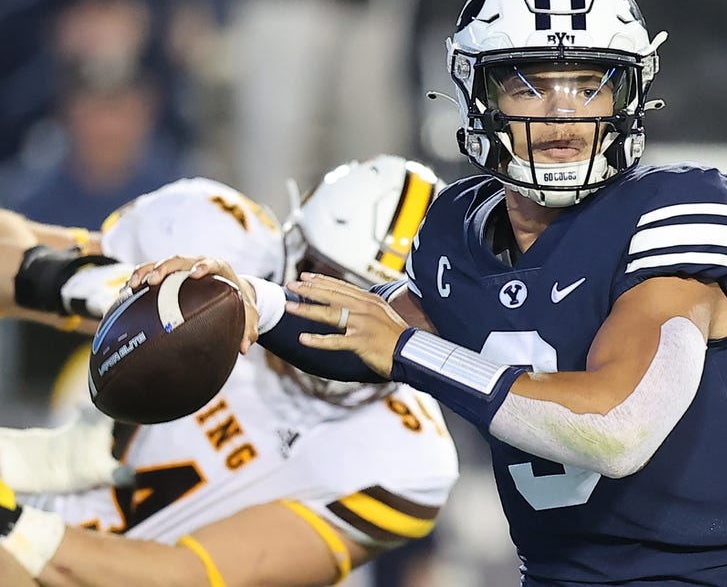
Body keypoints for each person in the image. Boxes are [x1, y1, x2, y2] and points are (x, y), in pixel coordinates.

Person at [144, 0, 727, 585]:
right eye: (527, 82)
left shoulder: (678, 205)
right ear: (475, 92)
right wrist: (242, 296)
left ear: (630, 91)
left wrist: (406, 349)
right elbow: (363, 330)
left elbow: (616, 428)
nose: (561, 110)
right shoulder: (454, 227)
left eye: (590, 81)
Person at [0, 156, 459, 587]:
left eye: (390, 307)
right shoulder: (221, 242)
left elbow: (188, 577)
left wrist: (16, 527)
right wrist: (65, 280)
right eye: (330, 285)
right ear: (291, 251)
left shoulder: (408, 459)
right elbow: (14, 252)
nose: (346, 322)